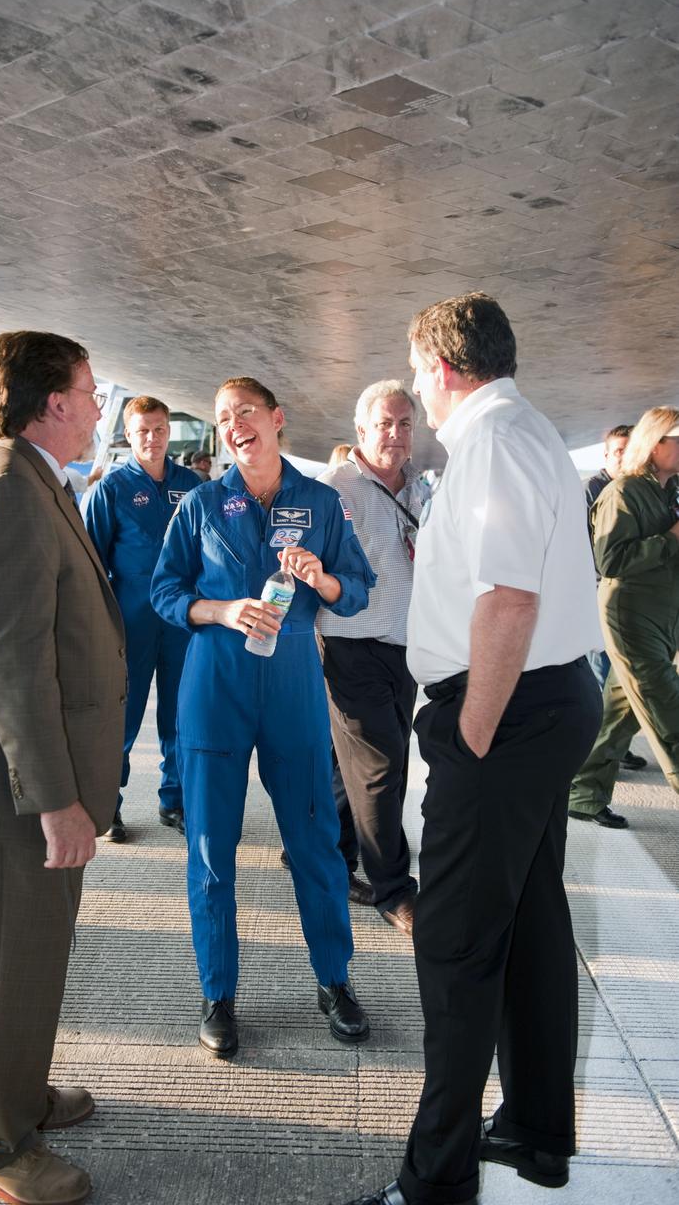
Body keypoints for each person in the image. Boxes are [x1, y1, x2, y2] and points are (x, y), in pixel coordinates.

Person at [344, 293, 603, 1205]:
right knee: (530, 917)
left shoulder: (491, 441)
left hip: (505, 709)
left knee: (452, 944)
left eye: (419, 373)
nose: (418, 388)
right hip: (546, 700)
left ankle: (435, 1180)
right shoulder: (525, 429)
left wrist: (468, 733)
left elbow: (508, 602)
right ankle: (535, 1131)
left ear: (444, 369)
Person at [0, 331, 128, 1204]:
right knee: (11, 963)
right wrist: (56, 802)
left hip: (23, 779)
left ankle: (17, 1096)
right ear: (53, 403)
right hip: (21, 789)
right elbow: (10, 664)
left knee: (30, 956)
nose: (96, 407)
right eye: (88, 392)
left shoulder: (25, 476)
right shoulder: (10, 489)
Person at [151, 376, 376, 1058]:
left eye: (243, 412)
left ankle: (333, 980)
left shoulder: (321, 503)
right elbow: (165, 591)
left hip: (292, 690)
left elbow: (357, 591)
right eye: (222, 419)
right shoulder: (200, 505)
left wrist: (319, 579)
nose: (233, 426)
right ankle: (217, 991)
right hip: (214, 687)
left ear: (276, 419)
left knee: (314, 846)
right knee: (212, 852)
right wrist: (219, 610)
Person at [319, 382, 429, 937]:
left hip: (402, 647)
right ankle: (394, 890)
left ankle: (328, 858)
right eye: (384, 423)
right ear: (361, 430)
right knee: (383, 767)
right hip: (346, 643)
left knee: (354, 768)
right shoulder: (334, 490)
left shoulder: (421, 491)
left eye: (405, 423)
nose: (395, 434)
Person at [85, 396, 201, 841]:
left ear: (168, 432)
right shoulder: (110, 490)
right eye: (142, 431)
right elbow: (91, 561)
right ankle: (107, 804)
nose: (152, 438)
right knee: (122, 715)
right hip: (129, 618)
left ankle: (175, 800)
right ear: (128, 435)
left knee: (180, 713)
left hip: (181, 618)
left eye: (158, 429)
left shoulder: (192, 485)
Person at [568, 408, 679, 828]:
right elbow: (609, 559)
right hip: (631, 618)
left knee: (618, 713)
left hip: (667, 614)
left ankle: (582, 795)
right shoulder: (623, 494)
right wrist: (668, 540)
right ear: (655, 444)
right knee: (668, 708)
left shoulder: (673, 490)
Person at [584, 423, 647, 772]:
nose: (624, 457)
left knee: (619, 681)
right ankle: (593, 758)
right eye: (618, 450)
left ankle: (613, 750)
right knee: (601, 678)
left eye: (630, 449)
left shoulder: (633, 488)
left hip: (628, 596)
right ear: (606, 454)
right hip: (600, 592)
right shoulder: (593, 489)